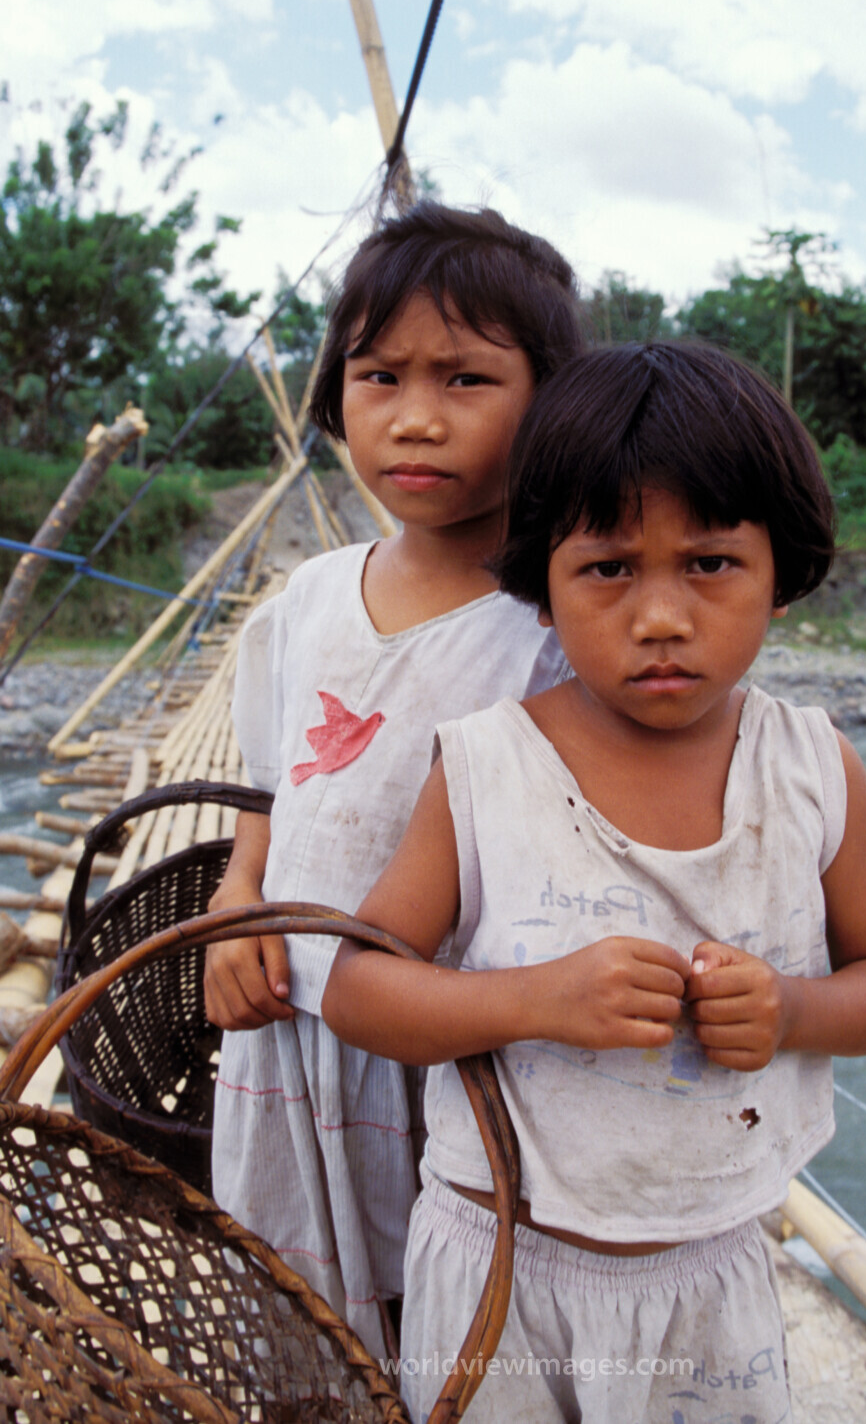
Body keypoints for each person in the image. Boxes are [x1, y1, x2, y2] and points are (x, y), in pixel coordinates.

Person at [324, 340, 866, 1423]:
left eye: (709, 563)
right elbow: (358, 988)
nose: (659, 617)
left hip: (714, 1269)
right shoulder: (484, 766)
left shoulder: (812, 768)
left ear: (778, 574)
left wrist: (791, 1009)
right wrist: (534, 1000)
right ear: (541, 590)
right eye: (607, 569)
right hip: (501, 1269)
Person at [203, 201, 585, 1361]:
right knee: (294, 1304)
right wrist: (233, 907)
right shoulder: (304, 604)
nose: (415, 420)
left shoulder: (553, 631)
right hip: (281, 1034)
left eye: (467, 380)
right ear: (335, 399)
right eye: (378, 377)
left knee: (443, 1312)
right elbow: (272, 796)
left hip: (446, 1050)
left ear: (549, 402)